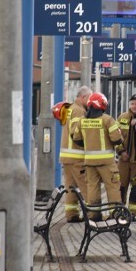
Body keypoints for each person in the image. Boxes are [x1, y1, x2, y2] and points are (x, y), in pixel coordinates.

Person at [71, 92, 123, 219]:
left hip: (89, 162)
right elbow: (117, 139)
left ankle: (94, 214)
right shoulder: (107, 119)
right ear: (103, 105)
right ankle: (115, 214)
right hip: (106, 162)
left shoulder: (83, 121)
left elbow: (76, 139)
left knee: (92, 188)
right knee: (112, 186)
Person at [58, 85, 91, 223]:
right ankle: (92, 214)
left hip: (67, 156)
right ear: (83, 97)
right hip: (77, 157)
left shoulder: (71, 109)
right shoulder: (79, 111)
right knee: (87, 186)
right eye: (89, 98)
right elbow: (76, 132)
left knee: (70, 188)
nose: (90, 102)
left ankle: (71, 214)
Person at [117, 93, 136, 218]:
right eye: (132, 103)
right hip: (124, 160)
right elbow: (115, 138)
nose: (134, 106)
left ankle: (133, 213)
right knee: (121, 186)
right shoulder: (122, 118)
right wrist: (121, 152)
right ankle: (119, 211)